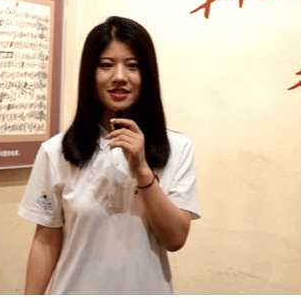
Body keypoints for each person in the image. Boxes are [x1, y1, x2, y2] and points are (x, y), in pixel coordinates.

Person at [18, 16, 200, 295]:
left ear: (147, 76)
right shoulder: (56, 151)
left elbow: (175, 239)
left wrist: (142, 171)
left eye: (133, 66)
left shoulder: (178, 149)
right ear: (90, 76)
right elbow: (45, 241)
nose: (119, 76)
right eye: (106, 65)